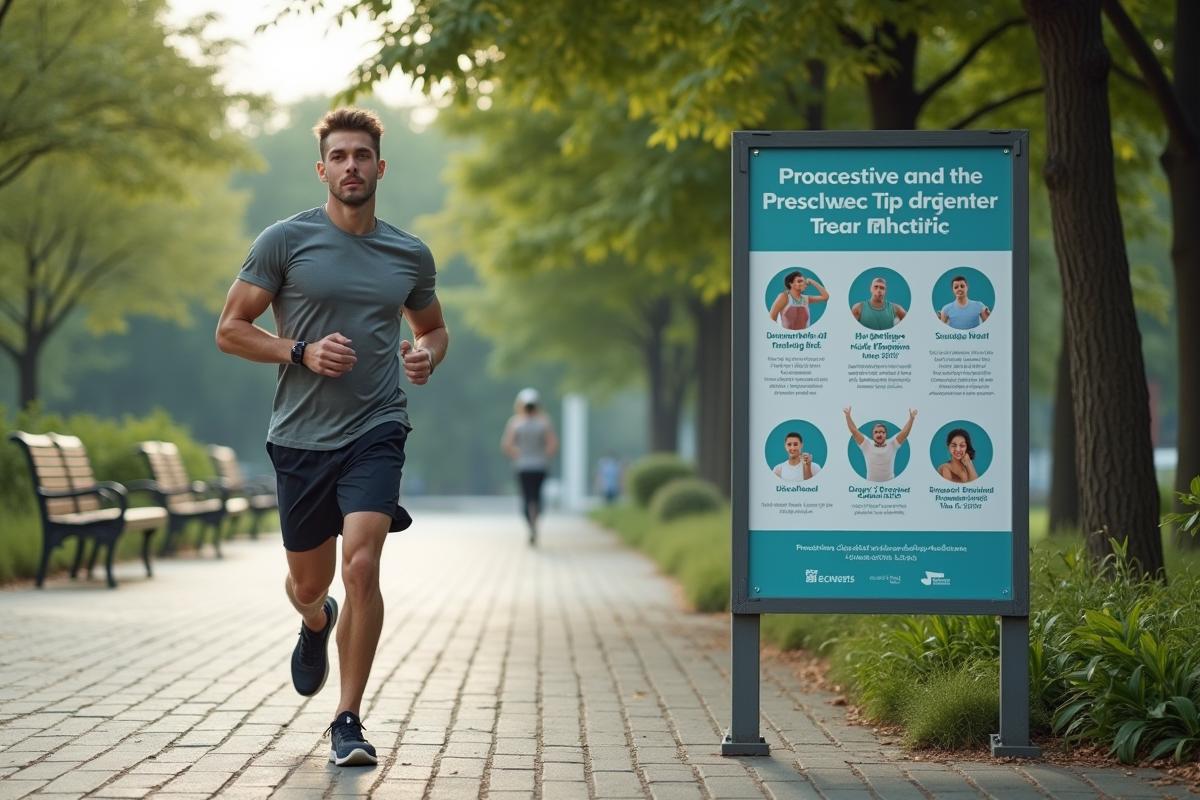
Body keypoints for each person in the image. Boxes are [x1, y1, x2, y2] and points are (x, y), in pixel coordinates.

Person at [215, 107, 449, 767]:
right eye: (340, 156)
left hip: (376, 426)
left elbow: (433, 327)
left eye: (362, 156)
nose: (352, 166)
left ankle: (347, 718)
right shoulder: (284, 242)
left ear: (380, 166)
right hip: (299, 439)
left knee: (365, 561)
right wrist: (300, 353)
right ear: (323, 169)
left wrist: (427, 355)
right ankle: (316, 620)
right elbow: (230, 329)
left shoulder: (408, 252)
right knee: (308, 585)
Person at [501, 388, 559, 544]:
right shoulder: (544, 423)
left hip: (522, 467)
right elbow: (553, 445)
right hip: (539, 466)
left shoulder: (516, 423)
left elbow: (507, 445)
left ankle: (530, 523)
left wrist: (518, 454)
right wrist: (543, 455)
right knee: (538, 496)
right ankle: (535, 521)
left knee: (526, 497)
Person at [844, 407, 917, 482]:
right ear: (872, 435)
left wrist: (911, 418)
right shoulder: (866, 445)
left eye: (882, 432)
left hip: (890, 484)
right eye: (876, 432)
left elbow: (904, 433)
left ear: (886, 434)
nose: (879, 434)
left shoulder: (892, 444)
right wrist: (848, 416)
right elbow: (854, 431)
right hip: (870, 484)